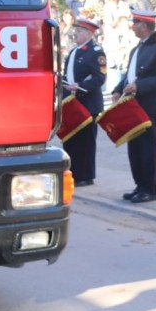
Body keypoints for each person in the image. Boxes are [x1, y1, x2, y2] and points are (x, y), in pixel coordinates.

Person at [112, 10, 156, 203]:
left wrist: (139, 86)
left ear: (144, 26)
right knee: (135, 148)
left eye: (135, 23)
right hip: (133, 104)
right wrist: (117, 89)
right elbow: (129, 74)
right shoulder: (138, 47)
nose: (132, 26)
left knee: (148, 149)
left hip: (149, 105)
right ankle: (139, 185)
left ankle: (149, 189)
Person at [61, 18, 107, 187]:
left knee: (86, 142)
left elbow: (99, 77)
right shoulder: (74, 51)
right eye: (76, 30)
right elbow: (67, 75)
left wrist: (80, 86)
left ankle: (86, 175)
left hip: (87, 102)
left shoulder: (95, 52)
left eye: (79, 31)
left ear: (89, 34)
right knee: (71, 140)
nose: (76, 34)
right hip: (72, 102)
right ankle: (72, 172)